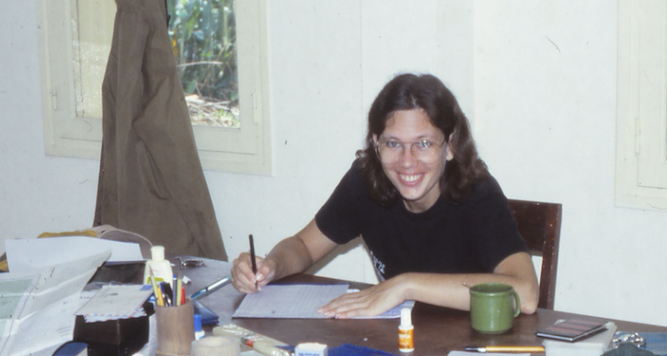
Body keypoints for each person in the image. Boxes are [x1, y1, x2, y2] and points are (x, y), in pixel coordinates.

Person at [230, 73, 539, 318]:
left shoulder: (478, 192)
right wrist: (270, 266)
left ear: (451, 146)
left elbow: (525, 295)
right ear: (376, 143)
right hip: (400, 344)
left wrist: (405, 285)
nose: (407, 161)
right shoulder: (365, 181)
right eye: (393, 144)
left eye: (424, 144)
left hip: (471, 354)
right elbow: (303, 247)